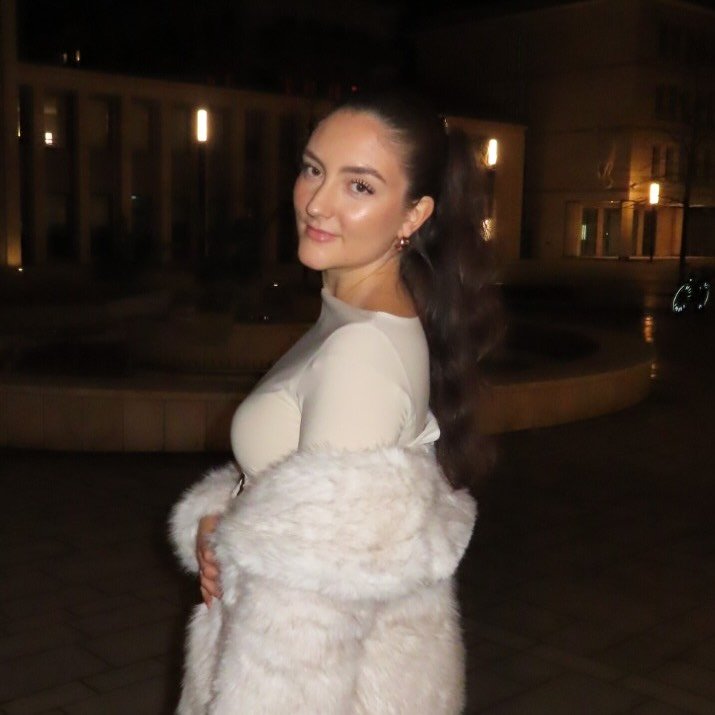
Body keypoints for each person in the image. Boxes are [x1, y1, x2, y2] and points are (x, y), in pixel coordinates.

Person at [169, 88, 503, 714]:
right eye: (313, 169)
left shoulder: (360, 356)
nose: (317, 202)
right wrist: (225, 523)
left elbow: (299, 648)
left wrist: (239, 539)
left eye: (360, 186)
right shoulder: (354, 316)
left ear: (413, 215)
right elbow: (296, 507)